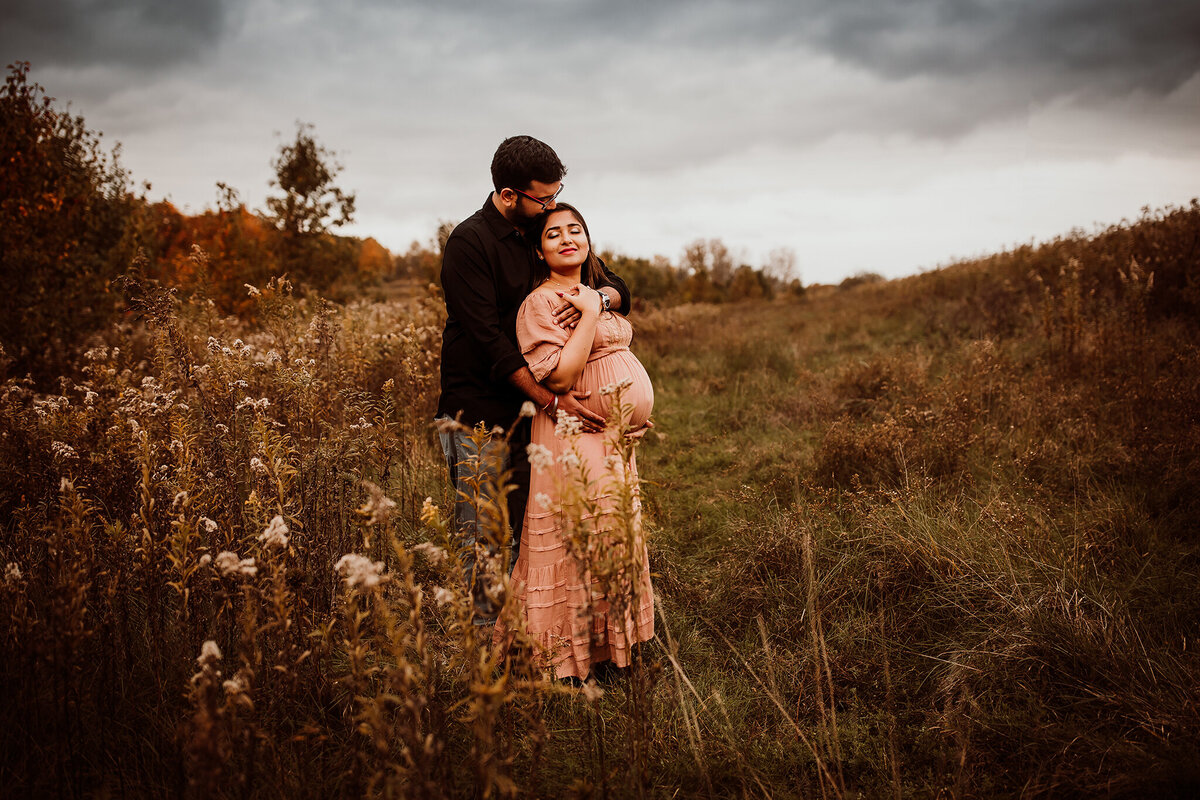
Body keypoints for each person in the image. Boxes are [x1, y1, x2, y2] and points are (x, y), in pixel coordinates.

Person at [435, 136, 631, 622]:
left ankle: (532, 636)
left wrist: (597, 301)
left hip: (535, 416)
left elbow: (615, 283)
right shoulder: (470, 243)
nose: (554, 205)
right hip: (479, 411)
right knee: (483, 534)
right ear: (508, 196)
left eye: (558, 192)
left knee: (533, 528)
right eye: (544, 197)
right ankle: (484, 647)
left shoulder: (543, 230)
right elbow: (490, 343)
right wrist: (551, 401)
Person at [497, 203, 655, 682]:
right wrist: (588, 312)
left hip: (612, 437)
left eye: (576, 230)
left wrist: (597, 301)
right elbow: (562, 376)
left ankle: (612, 650)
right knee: (578, 536)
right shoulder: (539, 304)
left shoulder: (598, 291)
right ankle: (566, 661)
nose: (567, 238)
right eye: (553, 234)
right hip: (573, 434)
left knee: (612, 533)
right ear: (539, 250)